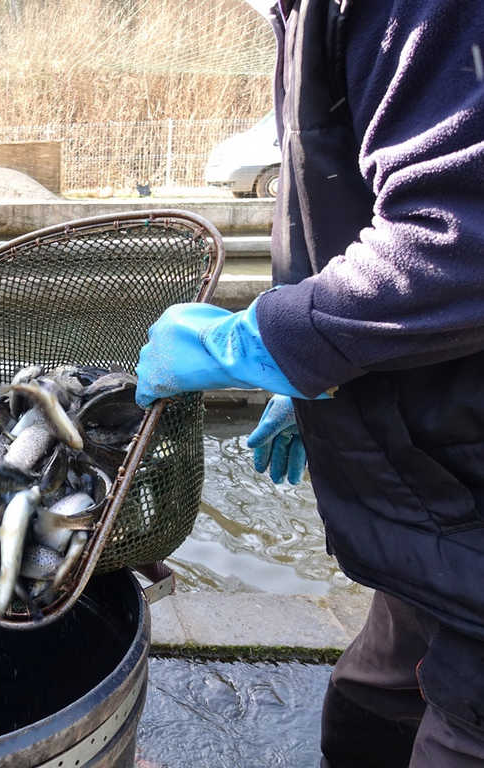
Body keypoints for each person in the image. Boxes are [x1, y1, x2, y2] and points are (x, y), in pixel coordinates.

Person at [136, 1, 484, 765]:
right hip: (432, 495)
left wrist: (263, 338)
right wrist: (314, 373)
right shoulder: (309, 14)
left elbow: (457, 241)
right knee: (367, 703)